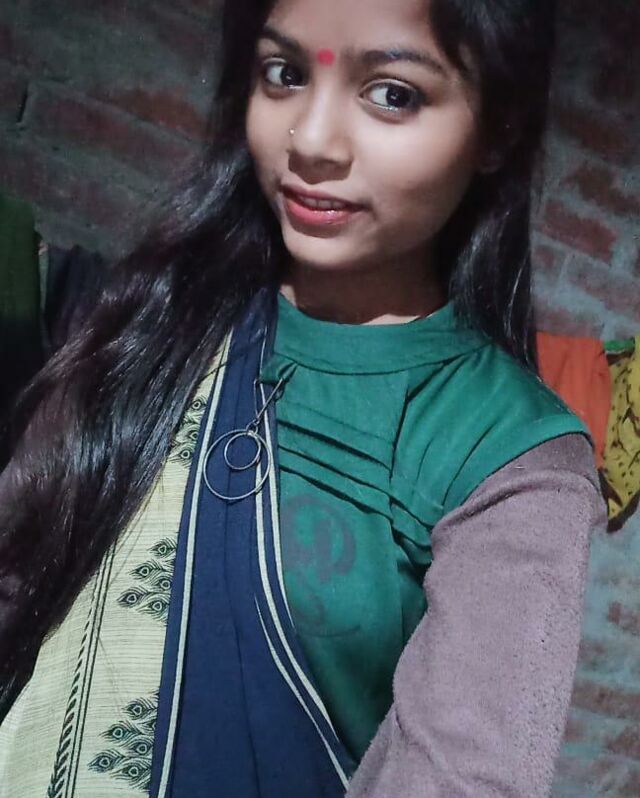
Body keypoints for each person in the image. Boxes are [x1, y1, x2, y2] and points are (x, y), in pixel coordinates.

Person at [0, 0, 607, 796]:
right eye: (284, 74)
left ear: (497, 128)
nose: (311, 141)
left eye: (393, 94)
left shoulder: (506, 455)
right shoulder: (154, 316)